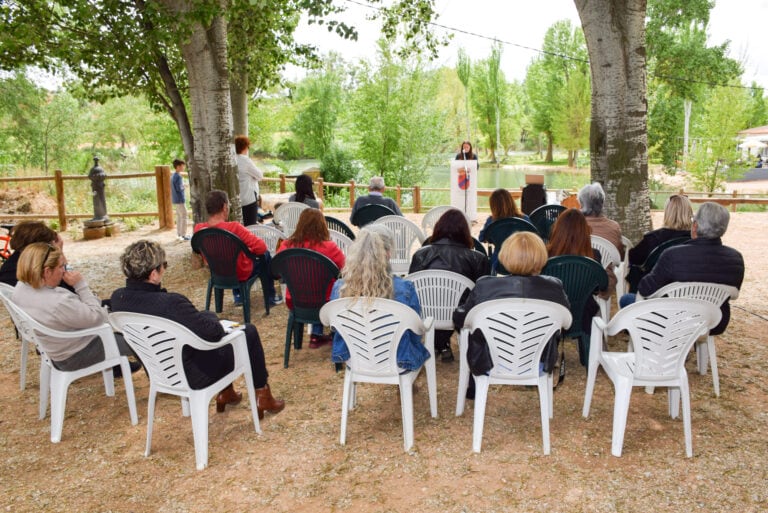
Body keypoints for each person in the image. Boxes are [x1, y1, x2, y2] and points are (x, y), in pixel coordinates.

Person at [111, 240, 284, 417]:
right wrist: (210, 316)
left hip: (160, 372)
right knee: (249, 332)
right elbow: (213, 333)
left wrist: (204, 317)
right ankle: (263, 394)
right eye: (164, 265)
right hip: (195, 374)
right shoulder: (171, 303)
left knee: (214, 326)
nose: (165, 269)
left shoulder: (118, 298)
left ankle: (227, 392)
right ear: (154, 274)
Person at [453, 232, 569, 398]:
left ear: (504, 256)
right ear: (541, 257)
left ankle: (473, 389)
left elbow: (460, 319)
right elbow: (566, 322)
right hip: (537, 362)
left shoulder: (485, 286)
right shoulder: (554, 287)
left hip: (490, 362)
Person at [11, 242, 140, 374]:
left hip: (57, 349)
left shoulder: (21, 287)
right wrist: (80, 285)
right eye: (61, 266)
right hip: (77, 354)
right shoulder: (58, 302)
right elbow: (98, 317)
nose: (64, 271)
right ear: (47, 271)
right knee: (142, 340)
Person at [625, 202, 744, 335]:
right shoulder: (735, 258)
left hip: (672, 320)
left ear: (695, 226)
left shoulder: (673, 255)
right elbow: (734, 294)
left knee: (627, 300)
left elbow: (645, 289)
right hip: (714, 321)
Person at [330, 225, 430, 371]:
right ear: (388, 254)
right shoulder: (404, 289)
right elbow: (416, 331)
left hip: (355, 358)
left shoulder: (340, 288)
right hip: (398, 359)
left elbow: (334, 327)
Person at [409, 208, 490, 361]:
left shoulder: (421, 254)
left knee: (434, 297)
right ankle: (442, 343)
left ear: (438, 228)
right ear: (465, 231)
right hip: (460, 314)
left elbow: (412, 289)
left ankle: (439, 342)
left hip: (426, 311)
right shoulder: (477, 258)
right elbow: (482, 294)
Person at [193, 190, 281, 307]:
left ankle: (238, 296)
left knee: (233, 258)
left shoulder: (198, 229)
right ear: (224, 207)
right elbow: (261, 247)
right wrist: (248, 250)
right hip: (240, 273)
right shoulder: (234, 227)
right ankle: (270, 297)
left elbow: (197, 250)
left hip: (217, 272)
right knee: (264, 255)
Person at [277, 209, 345, 348]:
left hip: (296, 301)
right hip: (325, 302)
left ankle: (316, 336)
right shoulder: (329, 247)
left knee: (311, 286)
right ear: (322, 225)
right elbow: (345, 269)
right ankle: (330, 333)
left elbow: (277, 269)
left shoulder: (286, 245)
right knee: (332, 286)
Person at [547, 208, 614, 337]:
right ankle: (591, 352)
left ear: (557, 230)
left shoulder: (544, 255)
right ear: (585, 231)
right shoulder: (594, 256)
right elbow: (600, 287)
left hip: (552, 313)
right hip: (584, 315)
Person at [0, 221, 74, 292]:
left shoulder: (16, 261)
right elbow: (71, 289)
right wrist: (59, 253)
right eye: (50, 243)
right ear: (39, 246)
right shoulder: (36, 268)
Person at [628, 194, 693, 266]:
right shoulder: (698, 239)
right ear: (689, 213)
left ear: (667, 213)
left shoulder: (652, 238)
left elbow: (632, 260)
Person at [578, 182, 624, 258]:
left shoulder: (573, 227)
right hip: (605, 270)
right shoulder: (614, 227)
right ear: (602, 203)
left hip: (577, 269)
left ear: (582, 204)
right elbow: (620, 255)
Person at [235, 135, 263, 226]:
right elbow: (259, 175)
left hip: (236, 198)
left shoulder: (232, 159)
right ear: (245, 147)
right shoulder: (245, 160)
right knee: (251, 225)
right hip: (248, 198)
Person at [171, 159, 189, 241]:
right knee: (184, 216)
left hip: (175, 199)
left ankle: (179, 233)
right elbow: (179, 188)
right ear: (178, 166)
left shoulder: (173, 176)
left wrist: (183, 185)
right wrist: (185, 186)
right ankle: (183, 235)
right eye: (182, 166)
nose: (183, 167)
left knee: (179, 217)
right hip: (180, 199)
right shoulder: (178, 176)